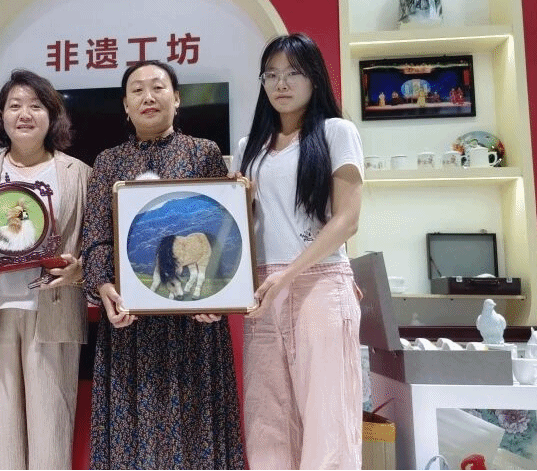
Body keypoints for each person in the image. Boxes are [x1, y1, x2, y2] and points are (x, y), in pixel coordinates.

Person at [80, 60, 244, 470]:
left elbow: (222, 231)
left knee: (196, 428)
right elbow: (96, 238)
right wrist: (104, 287)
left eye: (158, 87)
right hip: (131, 325)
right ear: (125, 105)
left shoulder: (204, 153)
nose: (148, 97)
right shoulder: (108, 162)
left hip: (196, 324)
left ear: (177, 98)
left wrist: (218, 295)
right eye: (137, 90)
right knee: (133, 432)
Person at [234, 33, 364, 469]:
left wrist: (286, 276)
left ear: (314, 78)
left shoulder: (336, 132)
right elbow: (243, 226)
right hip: (262, 291)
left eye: (293, 73)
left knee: (328, 419)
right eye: (271, 75)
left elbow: (347, 221)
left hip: (319, 284)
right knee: (267, 419)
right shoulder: (248, 148)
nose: (281, 84)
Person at [0, 69, 90, 469]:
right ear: (1, 116)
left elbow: (96, 241)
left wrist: (80, 269)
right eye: (14, 105)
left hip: (54, 309)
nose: (25, 114)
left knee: (51, 426)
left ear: (52, 115)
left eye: (36, 106)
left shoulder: (78, 174)